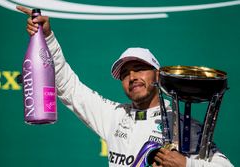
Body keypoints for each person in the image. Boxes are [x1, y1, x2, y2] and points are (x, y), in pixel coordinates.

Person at [17, 6, 234, 167]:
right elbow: (68, 86)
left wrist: (187, 165)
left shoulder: (182, 125)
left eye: (140, 68)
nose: (132, 77)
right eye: (125, 73)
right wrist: (48, 38)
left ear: (157, 75)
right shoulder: (114, 115)